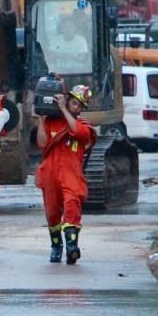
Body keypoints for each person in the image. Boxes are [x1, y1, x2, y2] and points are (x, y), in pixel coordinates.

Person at [35, 84, 96, 264]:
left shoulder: (84, 126)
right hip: (50, 174)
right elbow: (41, 143)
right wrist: (40, 121)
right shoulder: (51, 122)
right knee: (52, 213)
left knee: (72, 205)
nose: (74, 106)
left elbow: (77, 132)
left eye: (79, 105)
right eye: (73, 102)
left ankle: (71, 246)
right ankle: (56, 246)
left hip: (71, 173)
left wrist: (62, 109)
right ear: (67, 99)